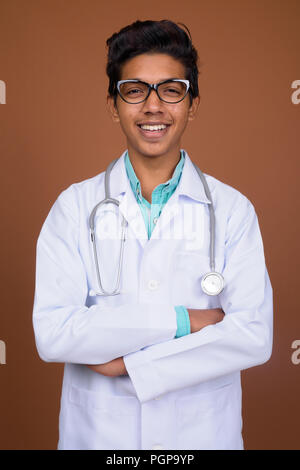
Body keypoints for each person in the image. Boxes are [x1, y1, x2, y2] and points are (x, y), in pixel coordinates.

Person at [32, 19, 273, 450]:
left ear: (192, 104)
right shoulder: (74, 207)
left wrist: (129, 364)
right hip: (100, 437)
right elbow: (54, 332)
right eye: (135, 90)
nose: (153, 106)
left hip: (201, 437)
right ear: (114, 103)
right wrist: (186, 321)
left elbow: (253, 336)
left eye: (171, 89)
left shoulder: (232, 211)